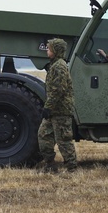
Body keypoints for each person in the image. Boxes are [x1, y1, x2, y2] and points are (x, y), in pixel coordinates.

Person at [37, 37, 77, 173]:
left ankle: (72, 169)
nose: (47, 50)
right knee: (43, 135)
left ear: (56, 50)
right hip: (54, 109)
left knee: (64, 140)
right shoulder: (54, 65)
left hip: (61, 110)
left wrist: (48, 107)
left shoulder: (59, 66)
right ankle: (50, 166)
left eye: (49, 48)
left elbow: (58, 90)